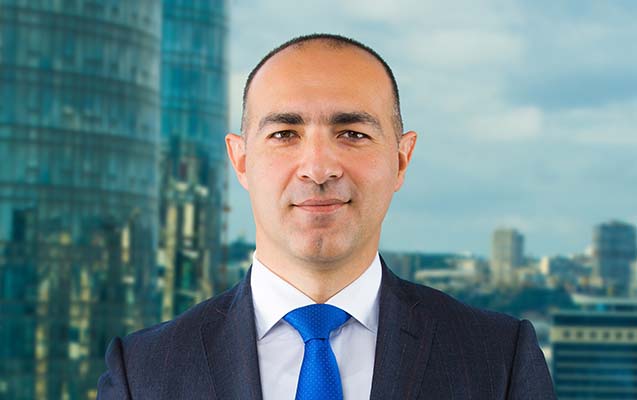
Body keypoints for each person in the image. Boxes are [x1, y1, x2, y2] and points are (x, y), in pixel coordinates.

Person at [97, 33, 556, 399]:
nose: (318, 169)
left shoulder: (499, 359)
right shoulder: (143, 372)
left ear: (401, 160)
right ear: (241, 160)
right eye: (284, 133)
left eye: (352, 133)